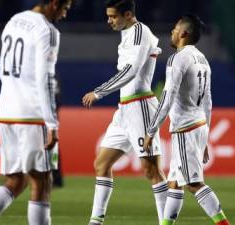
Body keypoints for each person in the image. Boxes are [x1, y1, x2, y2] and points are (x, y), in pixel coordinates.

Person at [0, 0, 71, 225]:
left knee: (16, 180)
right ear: (54, 4)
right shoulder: (47, 30)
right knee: (42, 181)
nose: (64, 15)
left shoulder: (14, 21)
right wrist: (52, 124)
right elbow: (45, 80)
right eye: (65, 9)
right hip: (32, 115)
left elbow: (1, 69)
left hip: (6, 110)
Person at [82, 1, 167, 224]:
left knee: (151, 171)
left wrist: (99, 92)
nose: (109, 21)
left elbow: (131, 71)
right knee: (101, 164)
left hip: (141, 107)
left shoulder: (140, 32)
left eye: (112, 16)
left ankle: (166, 222)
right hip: (124, 110)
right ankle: (96, 220)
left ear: (128, 14)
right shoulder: (127, 33)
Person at [143, 15, 231, 225]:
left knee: (193, 184)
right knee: (174, 183)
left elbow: (167, 96)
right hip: (198, 124)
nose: (171, 32)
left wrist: (151, 130)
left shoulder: (178, 58)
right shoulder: (203, 59)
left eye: (174, 29)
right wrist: (206, 136)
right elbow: (207, 101)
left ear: (184, 33)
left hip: (185, 127)